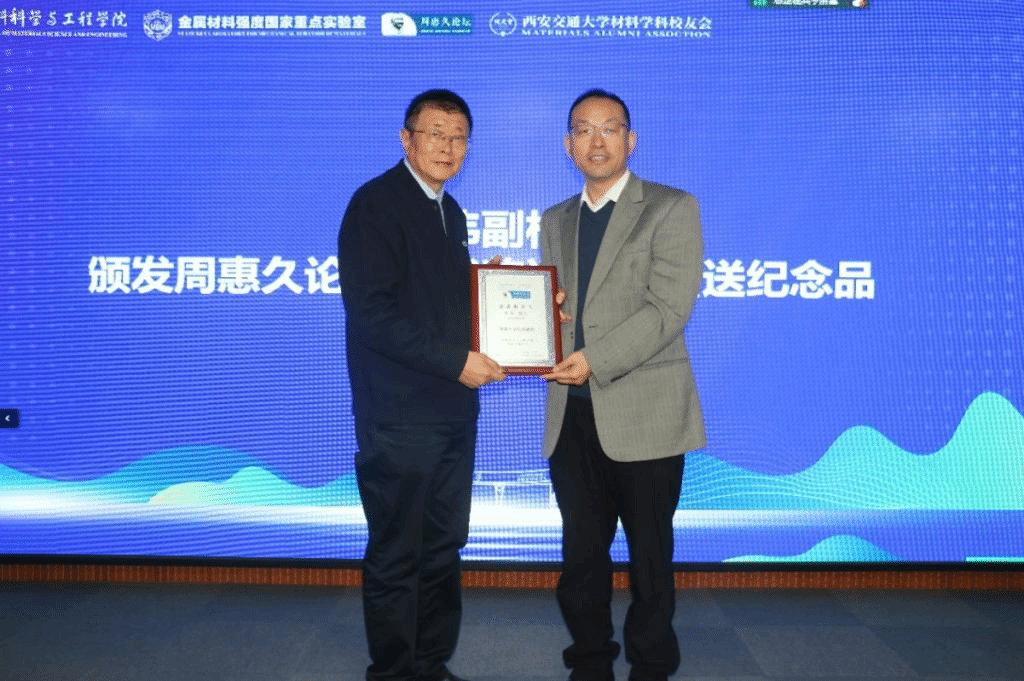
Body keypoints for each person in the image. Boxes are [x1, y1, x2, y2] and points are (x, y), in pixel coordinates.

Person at [338, 89, 505, 681]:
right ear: (406, 138)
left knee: (442, 547)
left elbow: (435, 303)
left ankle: (431, 664)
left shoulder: (449, 211)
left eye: (459, 137)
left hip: (452, 413)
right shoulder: (376, 204)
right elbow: (373, 314)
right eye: (435, 134)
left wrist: (493, 294)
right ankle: (393, 672)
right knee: (397, 552)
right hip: (399, 417)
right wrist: (455, 360)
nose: (447, 147)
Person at [540, 89, 706, 681]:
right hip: (572, 415)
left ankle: (652, 664)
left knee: (650, 556)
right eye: (583, 130)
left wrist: (593, 359)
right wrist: (539, 313)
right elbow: (562, 310)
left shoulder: (670, 207)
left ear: (630, 140)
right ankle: (589, 660)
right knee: (582, 556)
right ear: (568, 145)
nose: (597, 141)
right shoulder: (555, 219)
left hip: (646, 412)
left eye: (609, 128)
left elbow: (668, 309)